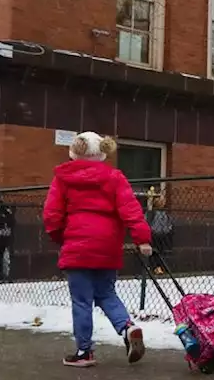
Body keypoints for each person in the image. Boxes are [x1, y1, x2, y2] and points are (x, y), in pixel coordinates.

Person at [44, 132, 153, 367]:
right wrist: (141, 239)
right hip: (107, 245)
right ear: (103, 153)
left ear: (74, 152)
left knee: (82, 301)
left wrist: (59, 237)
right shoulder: (114, 177)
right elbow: (130, 209)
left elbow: (52, 214)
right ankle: (126, 327)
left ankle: (84, 352)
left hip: (76, 246)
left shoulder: (63, 178)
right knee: (106, 293)